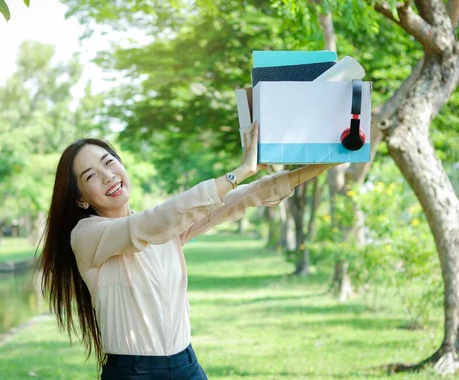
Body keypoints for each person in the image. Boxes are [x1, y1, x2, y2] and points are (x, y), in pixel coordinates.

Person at [38, 122, 335, 379]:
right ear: (80, 201)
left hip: (187, 365)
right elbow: (152, 223)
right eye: (90, 176)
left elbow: (244, 198)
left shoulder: (167, 228)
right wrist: (239, 171)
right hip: (133, 373)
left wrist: (330, 159)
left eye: (109, 162)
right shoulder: (88, 236)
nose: (107, 176)